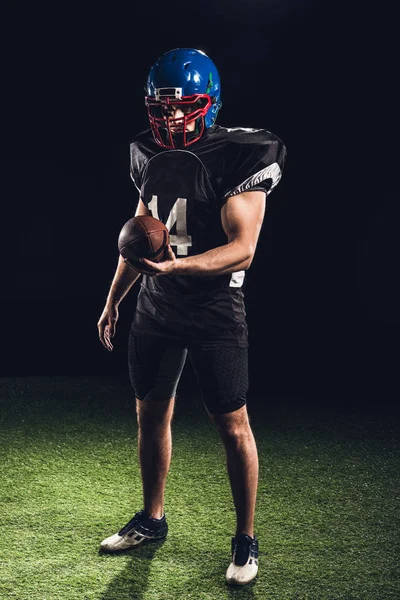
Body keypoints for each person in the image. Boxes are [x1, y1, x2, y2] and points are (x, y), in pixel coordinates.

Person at [97, 47, 286, 586]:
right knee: (151, 416)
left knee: (233, 427)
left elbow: (242, 248)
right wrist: (114, 298)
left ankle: (245, 541)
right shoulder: (144, 152)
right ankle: (152, 520)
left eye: (184, 108)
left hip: (213, 311)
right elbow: (139, 235)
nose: (172, 118)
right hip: (157, 309)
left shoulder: (239, 153)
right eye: (162, 108)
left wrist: (178, 267)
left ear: (210, 104)